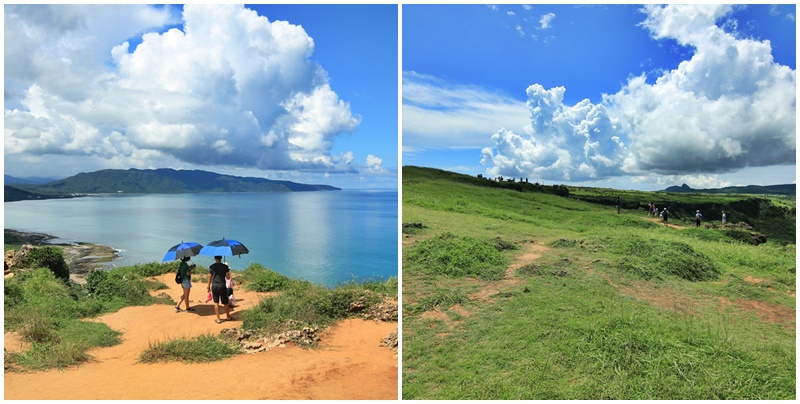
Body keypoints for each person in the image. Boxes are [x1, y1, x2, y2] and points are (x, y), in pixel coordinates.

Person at [207, 255, 232, 323]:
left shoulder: (212, 266)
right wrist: (227, 270)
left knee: (216, 302)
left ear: (214, 258)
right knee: (225, 302)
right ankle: (228, 317)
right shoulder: (224, 267)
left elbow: (210, 277)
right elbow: (228, 277)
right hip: (222, 286)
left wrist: (208, 286)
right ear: (221, 258)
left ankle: (218, 319)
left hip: (214, 286)